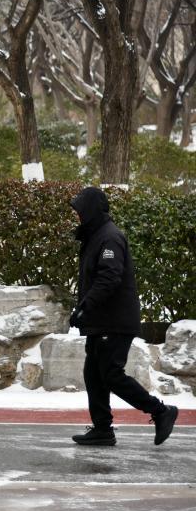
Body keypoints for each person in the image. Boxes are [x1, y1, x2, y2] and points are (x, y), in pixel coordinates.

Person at [69, 186, 177, 446]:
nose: (77, 216)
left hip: (114, 321)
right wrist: (86, 310)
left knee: (110, 374)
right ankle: (102, 430)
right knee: (93, 373)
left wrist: (85, 306)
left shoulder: (109, 238)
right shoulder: (96, 236)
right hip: (101, 321)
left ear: (91, 210)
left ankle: (161, 411)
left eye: (79, 211)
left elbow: (109, 277)